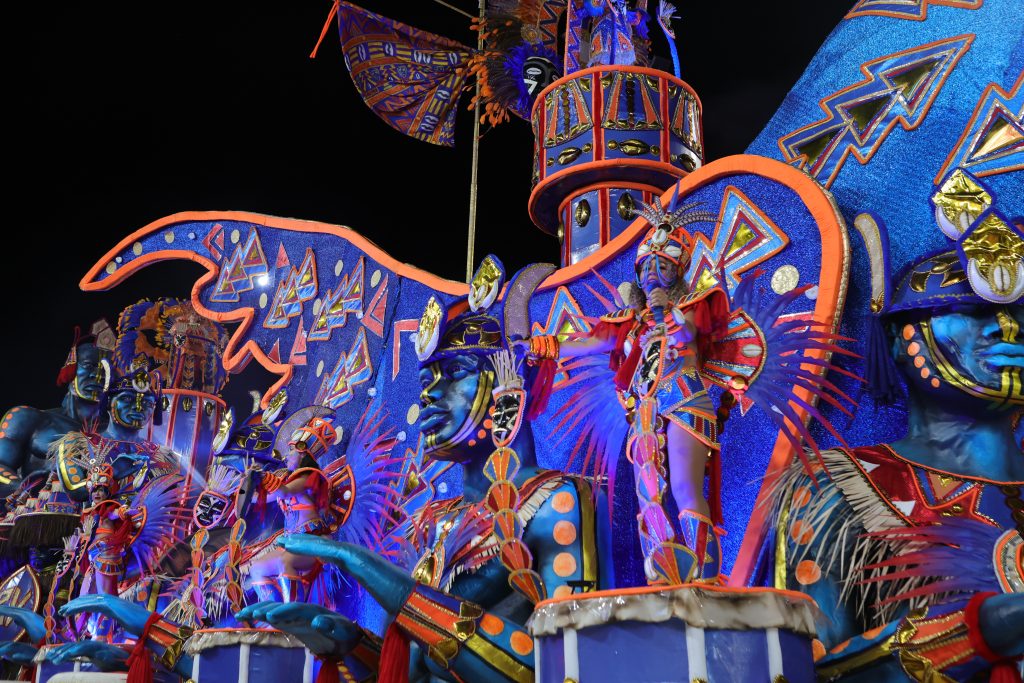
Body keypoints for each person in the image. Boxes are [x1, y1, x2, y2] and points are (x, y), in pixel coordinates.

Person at [770, 248, 1024, 681]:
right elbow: (806, 669)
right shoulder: (840, 486)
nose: (1009, 326)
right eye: (971, 308)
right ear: (897, 339)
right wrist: (979, 633)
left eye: (1021, 311)